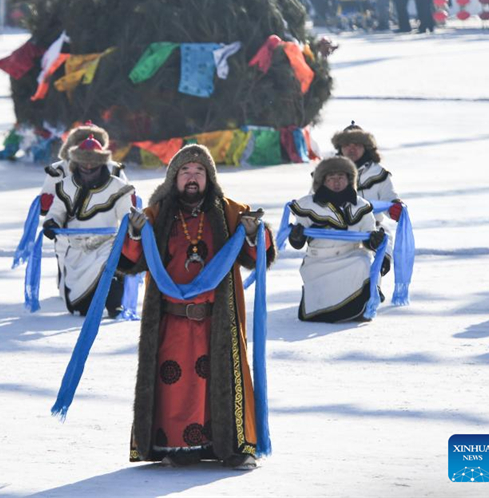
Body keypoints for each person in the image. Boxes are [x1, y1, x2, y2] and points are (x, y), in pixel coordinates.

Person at [120, 144, 276, 470]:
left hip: (217, 320)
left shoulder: (230, 212)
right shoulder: (156, 215)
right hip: (171, 322)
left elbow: (257, 255)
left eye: (199, 171)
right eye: (185, 172)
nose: (192, 178)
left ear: (210, 177)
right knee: (175, 387)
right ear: (174, 178)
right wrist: (133, 233)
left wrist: (254, 234)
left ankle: (233, 447)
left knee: (221, 383)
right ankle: (178, 448)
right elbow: (131, 261)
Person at [41, 135, 135, 317]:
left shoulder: (118, 186)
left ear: (102, 163)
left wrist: (132, 228)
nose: (89, 166)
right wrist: (52, 223)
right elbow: (56, 211)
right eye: (84, 162)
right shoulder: (65, 186)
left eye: (94, 163)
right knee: (79, 309)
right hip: (76, 249)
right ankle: (88, 300)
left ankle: (115, 301)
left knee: (112, 264)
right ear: (76, 163)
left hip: (107, 244)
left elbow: (127, 216)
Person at [288, 156, 385, 323]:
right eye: (331, 178)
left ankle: (359, 311)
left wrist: (374, 240)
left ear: (350, 180)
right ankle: (324, 313)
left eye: (341, 177)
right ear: (322, 181)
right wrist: (296, 236)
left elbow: (368, 236)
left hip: (351, 255)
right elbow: (298, 242)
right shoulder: (308, 205)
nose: (336, 182)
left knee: (364, 263)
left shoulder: (361, 206)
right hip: (319, 260)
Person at [333, 121, 403, 274]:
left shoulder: (379, 173)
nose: (352, 149)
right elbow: (314, 204)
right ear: (340, 148)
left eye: (357, 145)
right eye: (347, 144)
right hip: (336, 233)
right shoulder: (327, 173)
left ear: (365, 147)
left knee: (380, 243)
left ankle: (374, 281)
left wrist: (396, 208)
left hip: (372, 232)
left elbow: (389, 198)